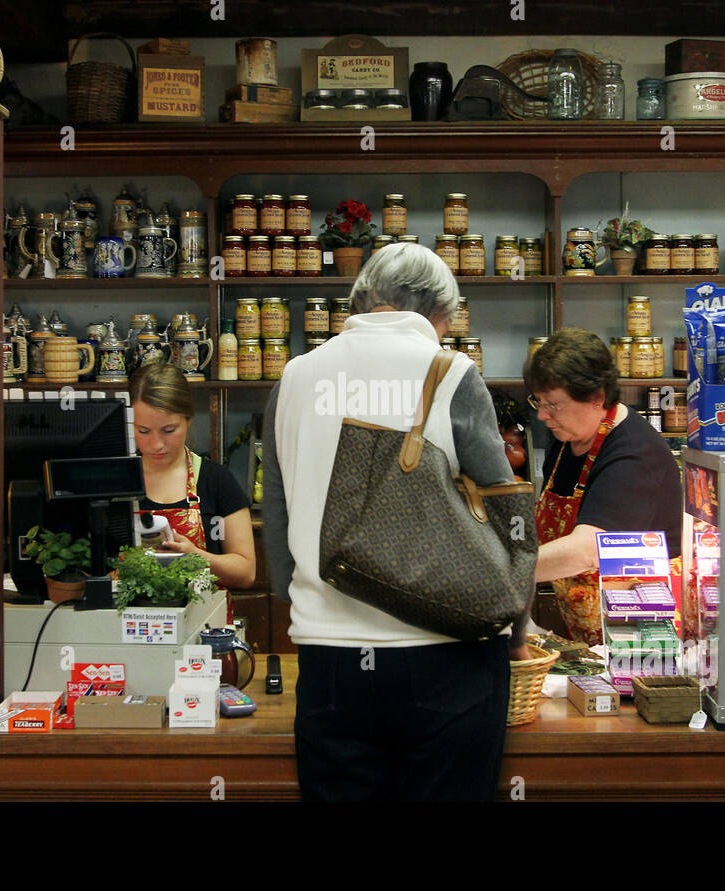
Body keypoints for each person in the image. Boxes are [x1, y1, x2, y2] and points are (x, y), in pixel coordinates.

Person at [262, 242, 529, 802]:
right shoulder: (452, 372)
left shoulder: (295, 376)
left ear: (360, 299)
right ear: (440, 313)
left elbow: (278, 509)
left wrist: (306, 602)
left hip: (329, 661)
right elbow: (507, 511)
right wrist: (517, 624)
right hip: (446, 653)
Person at [524, 328, 682, 644]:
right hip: (590, 630)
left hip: (642, 635)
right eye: (538, 402)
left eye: (553, 404)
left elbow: (587, 550)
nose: (542, 415)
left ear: (596, 398)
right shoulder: (566, 439)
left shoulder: (636, 453)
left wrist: (500, 574)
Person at [131, 362, 255, 590]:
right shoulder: (117, 482)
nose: (157, 444)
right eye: (143, 431)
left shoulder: (216, 480)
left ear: (188, 420)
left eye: (169, 430)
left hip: (204, 622)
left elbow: (246, 573)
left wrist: (196, 556)